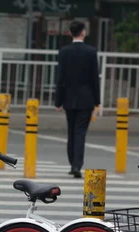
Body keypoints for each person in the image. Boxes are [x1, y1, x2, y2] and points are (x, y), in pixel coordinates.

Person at [54, 20, 100, 179]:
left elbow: (60, 78)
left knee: (71, 132)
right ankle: (76, 165)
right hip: (86, 98)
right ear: (82, 32)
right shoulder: (91, 52)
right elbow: (95, 78)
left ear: (70, 33)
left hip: (68, 97)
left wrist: (58, 101)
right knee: (80, 133)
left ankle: (72, 162)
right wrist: (97, 100)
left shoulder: (64, 52)